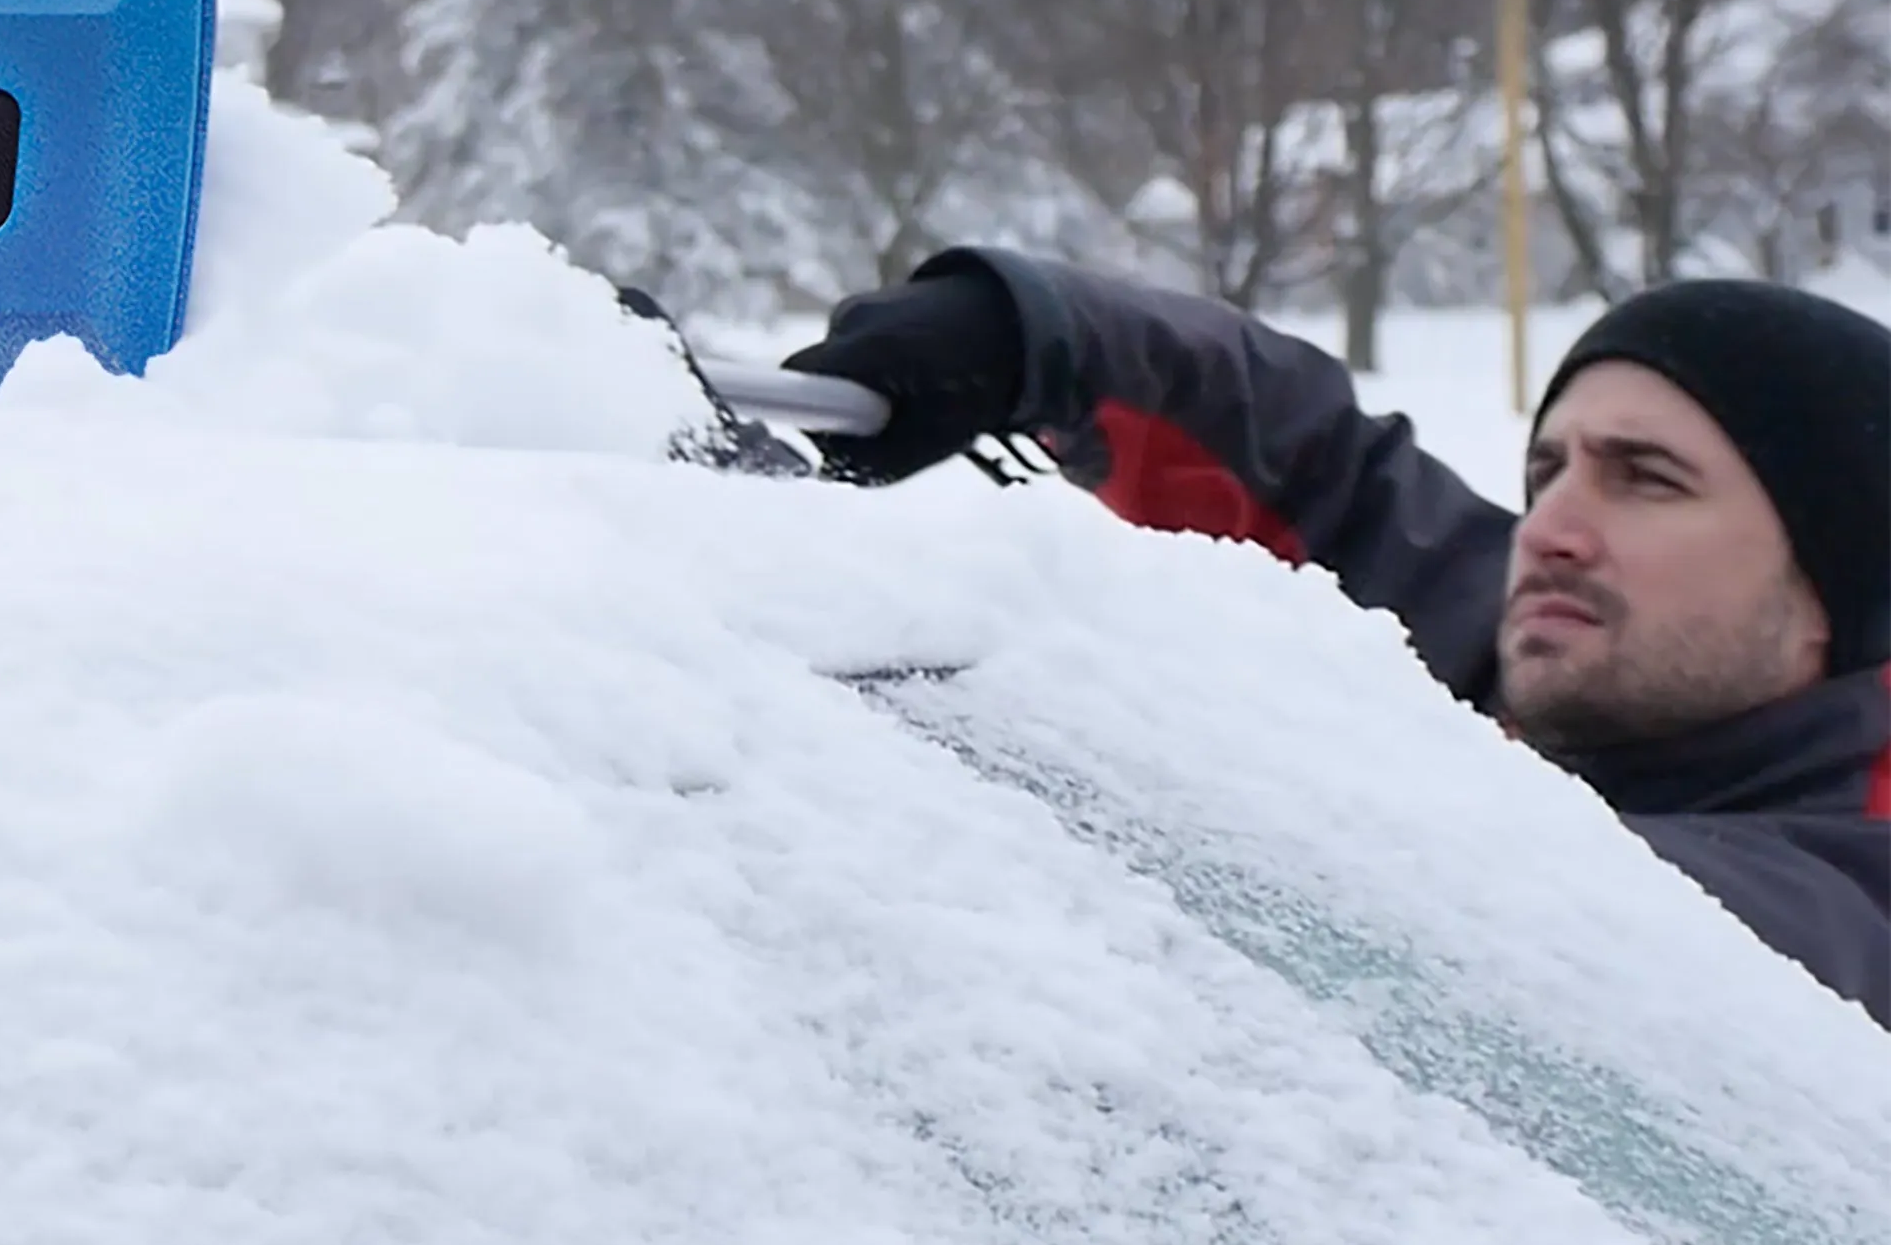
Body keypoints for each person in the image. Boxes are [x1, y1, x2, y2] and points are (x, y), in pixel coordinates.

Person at [782, 251, 1891, 1030]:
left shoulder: (1839, 905)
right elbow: (1331, 476)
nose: (1551, 531)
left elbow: (1534, 899)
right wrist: (1033, 339)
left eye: (1646, 480)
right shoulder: (1580, 675)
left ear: (1833, 579)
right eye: (1547, 470)